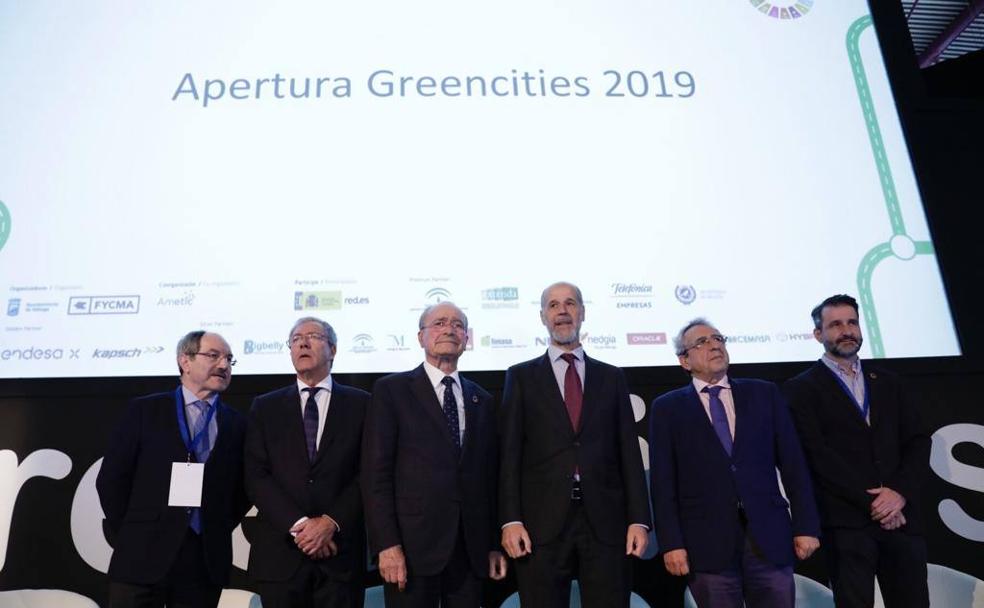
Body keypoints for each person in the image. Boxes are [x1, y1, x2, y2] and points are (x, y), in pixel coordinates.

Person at [649, 318, 820, 608]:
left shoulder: (763, 393)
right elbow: (663, 485)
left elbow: (794, 465)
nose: (714, 345)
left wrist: (806, 526)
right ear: (684, 360)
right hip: (707, 545)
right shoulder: (667, 408)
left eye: (718, 339)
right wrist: (672, 543)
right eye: (702, 342)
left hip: (769, 537)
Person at [498, 281, 650, 607]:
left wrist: (639, 519)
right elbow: (509, 456)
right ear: (543, 316)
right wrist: (511, 520)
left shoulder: (612, 377)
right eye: (553, 305)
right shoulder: (520, 377)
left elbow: (628, 454)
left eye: (570, 303)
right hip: (540, 526)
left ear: (582, 312)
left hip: (607, 522)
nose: (562, 311)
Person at [782, 294, 930, 608]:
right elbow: (816, 455)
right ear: (818, 334)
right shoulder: (801, 388)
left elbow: (917, 441)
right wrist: (875, 503)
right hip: (847, 525)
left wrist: (898, 494)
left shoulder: (891, 382)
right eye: (836, 325)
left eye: (852, 322)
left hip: (902, 520)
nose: (847, 331)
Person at [362, 302, 506, 608]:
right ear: (421, 337)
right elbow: (376, 476)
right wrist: (387, 544)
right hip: (411, 550)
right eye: (439, 323)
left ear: (466, 338)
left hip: (470, 551)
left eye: (457, 325)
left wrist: (493, 544)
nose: (449, 330)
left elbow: (489, 479)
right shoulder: (391, 391)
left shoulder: (482, 399)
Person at [96, 330, 248, 608]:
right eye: (213, 356)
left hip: (203, 561)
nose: (224, 365)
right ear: (185, 361)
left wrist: (215, 525)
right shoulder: (144, 411)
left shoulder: (238, 424)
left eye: (229, 359)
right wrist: (134, 532)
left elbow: (242, 490)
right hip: (141, 557)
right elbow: (112, 480)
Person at [244, 317, 369, 608]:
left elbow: (368, 473)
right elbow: (256, 475)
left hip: (340, 555)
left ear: (333, 349)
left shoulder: (362, 403)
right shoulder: (265, 406)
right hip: (281, 555)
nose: (302, 343)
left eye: (313, 336)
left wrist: (329, 523)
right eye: (296, 339)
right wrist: (302, 527)